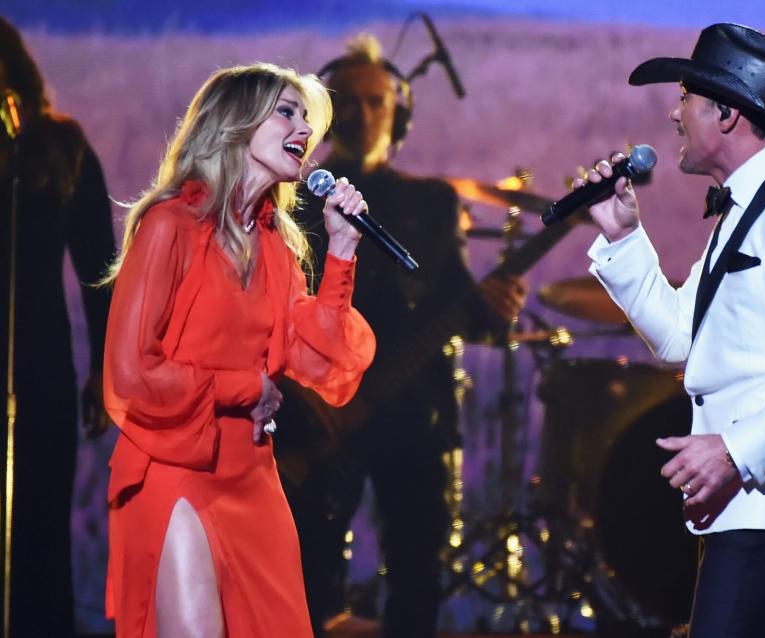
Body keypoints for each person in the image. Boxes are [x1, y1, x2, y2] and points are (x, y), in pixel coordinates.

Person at [579, 24, 765, 637]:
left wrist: (736, 454)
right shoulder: (743, 213)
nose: (673, 111)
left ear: (725, 114)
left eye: (686, 95)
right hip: (741, 505)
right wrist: (623, 239)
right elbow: (678, 341)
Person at [100, 62, 375, 637]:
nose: (304, 128)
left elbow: (319, 357)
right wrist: (243, 387)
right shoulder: (169, 226)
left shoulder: (274, 246)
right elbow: (130, 373)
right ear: (235, 124)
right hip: (177, 468)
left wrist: (343, 254)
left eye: (307, 117)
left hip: (252, 477)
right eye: (286, 112)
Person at [273, 35, 526, 638]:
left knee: (417, 581)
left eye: (376, 102)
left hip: (415, 416)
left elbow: (463, 306)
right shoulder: (295, 201)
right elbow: (273, 313)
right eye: (349, 103)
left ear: (398, 112)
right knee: (305, 581)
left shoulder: (432, 203)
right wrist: (305, 401)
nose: (363, 114)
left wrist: (496, 309)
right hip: (319, 417)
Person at [0, 17, 116, 637]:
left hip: (37, 368)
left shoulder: (57, 147)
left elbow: (100, 267)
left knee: (38, 532)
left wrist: (105, 369)